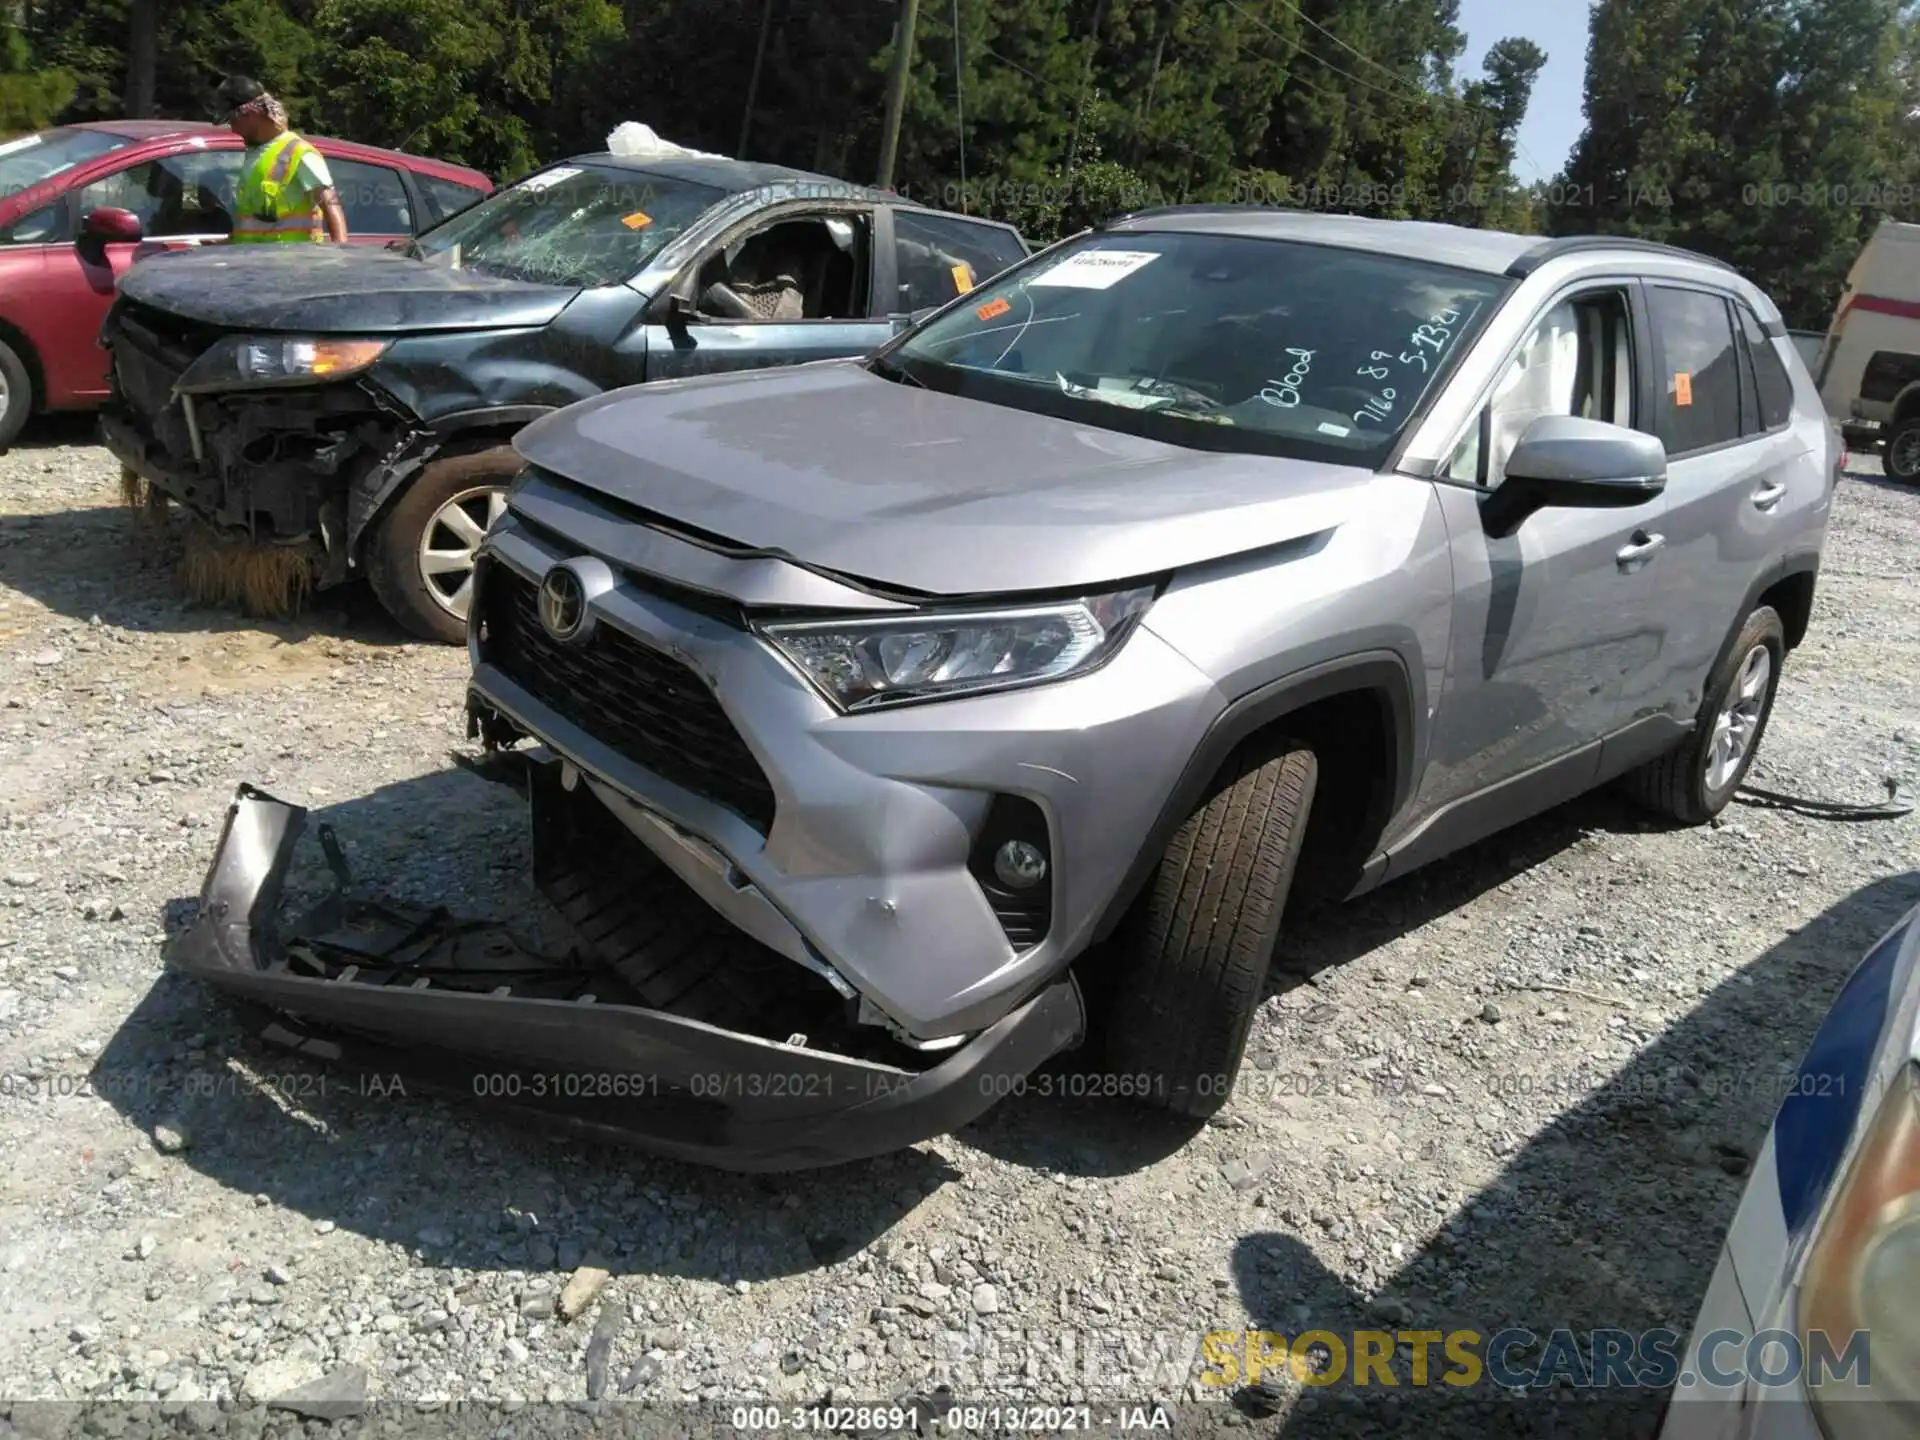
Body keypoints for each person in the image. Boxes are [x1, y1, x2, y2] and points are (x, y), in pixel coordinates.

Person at [215, 76, 348, 244]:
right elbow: (252, 224)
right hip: (254, 264)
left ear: (251, 114)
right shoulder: (254, 155)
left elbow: (331, 205)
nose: (233, 129)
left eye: (233, 120)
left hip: (292, 266)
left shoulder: (299, 153)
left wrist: (341, 257)